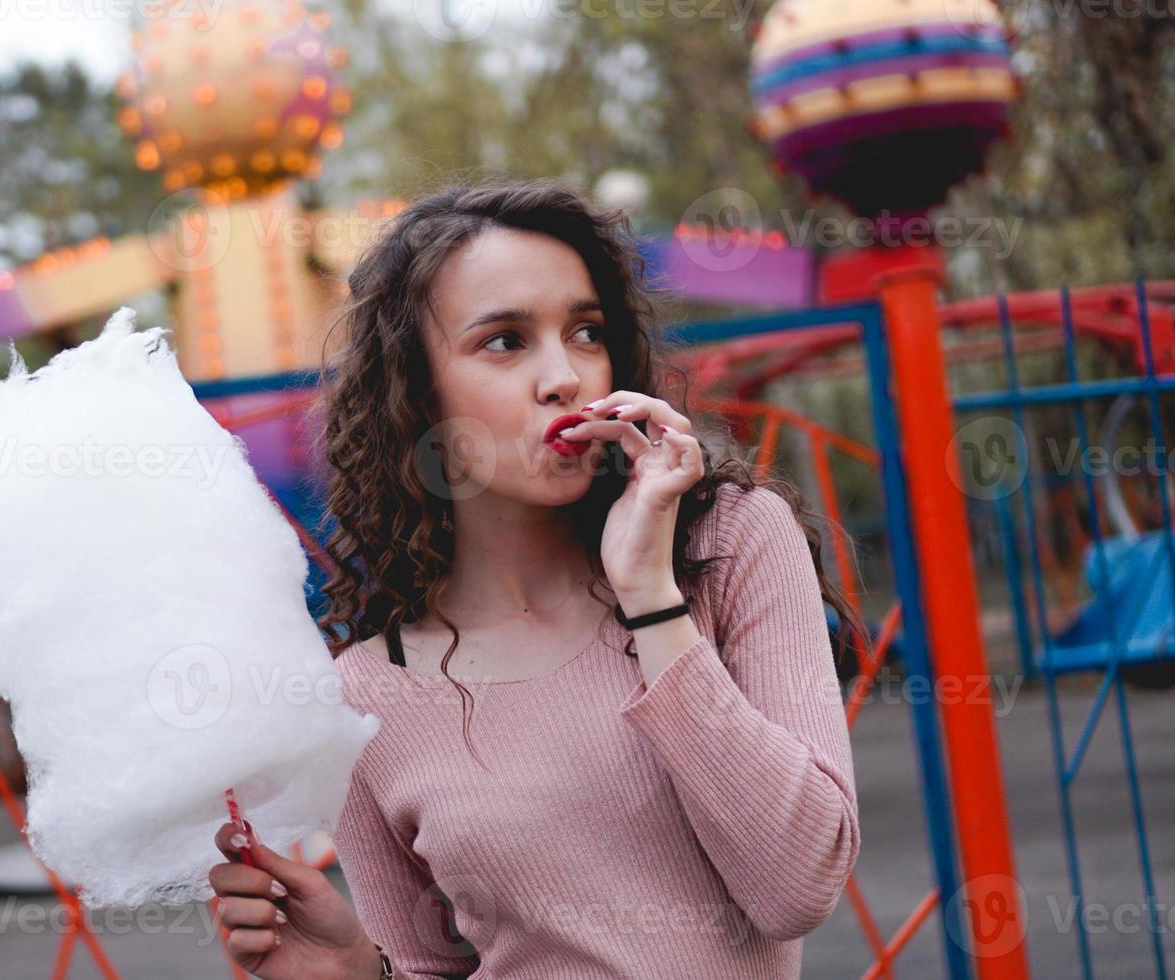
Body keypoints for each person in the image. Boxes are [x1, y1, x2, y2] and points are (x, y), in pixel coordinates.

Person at [208, 176, 865, 979]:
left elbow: (799, 887)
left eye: (586, 332)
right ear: (417, 394)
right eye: (505, 341)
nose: (565, 376)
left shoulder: (726, 546)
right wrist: (359, 976)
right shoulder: (367, 693)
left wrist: (651, 601)